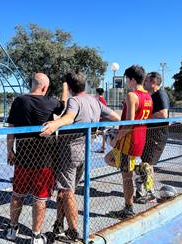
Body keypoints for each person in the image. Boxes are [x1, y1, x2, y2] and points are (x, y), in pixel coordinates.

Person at [40, 71, 120, 242]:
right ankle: (59, 224)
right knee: (65, 191)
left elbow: (69, 118)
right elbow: (115, 116)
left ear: (69, 87)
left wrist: (54, 124)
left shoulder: (74, 101)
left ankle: (74, 231)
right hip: (85, 151)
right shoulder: (95, 102)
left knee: (67, 192)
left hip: (69, 152)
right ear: (85, 85)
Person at [6, 73, 66, 244]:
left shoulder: (19, 101)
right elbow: (65, 106)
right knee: (40, 198)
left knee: (18, 194)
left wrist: (10, 150)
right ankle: (36, 235)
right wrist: (64, 88)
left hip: (24, 156)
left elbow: (11, 127)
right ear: (45, 87)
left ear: (32, 84)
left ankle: (12, 228)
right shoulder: (52, 102)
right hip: (46, 159)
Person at [104, 65, 153, 219]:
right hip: (140, 137)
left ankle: (128, 208)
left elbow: (130, 123)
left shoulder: (132, 95)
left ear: (132, 79)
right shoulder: (148, 96)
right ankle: (140, 169)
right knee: (109, 159)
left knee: (126, 177)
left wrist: (116, 138)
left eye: (127, 79)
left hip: (128, 139)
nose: (126, 82)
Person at [135, 72, 170, 203]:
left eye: (147, 81)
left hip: (157, 135)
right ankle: (143, 184)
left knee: (147, 164)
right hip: (149, 134)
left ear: (154, 83)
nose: (144, 83)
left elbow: (163, 114)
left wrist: (144, 117)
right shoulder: (151, 96)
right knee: (146, 163)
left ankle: (150, 192)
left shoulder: (160, 94)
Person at [95, 88, 108, 153]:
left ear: (97, 93)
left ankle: (103, 148)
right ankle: (103, 147)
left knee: (95, 132)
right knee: (102, 133)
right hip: (103, 119)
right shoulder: (104, 100)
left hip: (100, 120)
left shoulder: (98, 100)